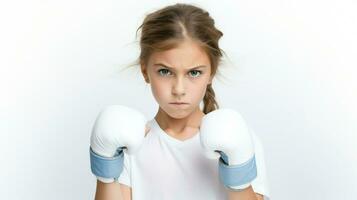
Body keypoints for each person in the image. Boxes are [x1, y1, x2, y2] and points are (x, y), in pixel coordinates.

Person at [90, 3, 270, 200]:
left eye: (194, 72)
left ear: (211, 72)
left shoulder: (239, 137)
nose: (179, 89)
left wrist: (239, 180)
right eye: (165, 71)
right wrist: (105, 172)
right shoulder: (129, 143)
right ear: (145, 71)